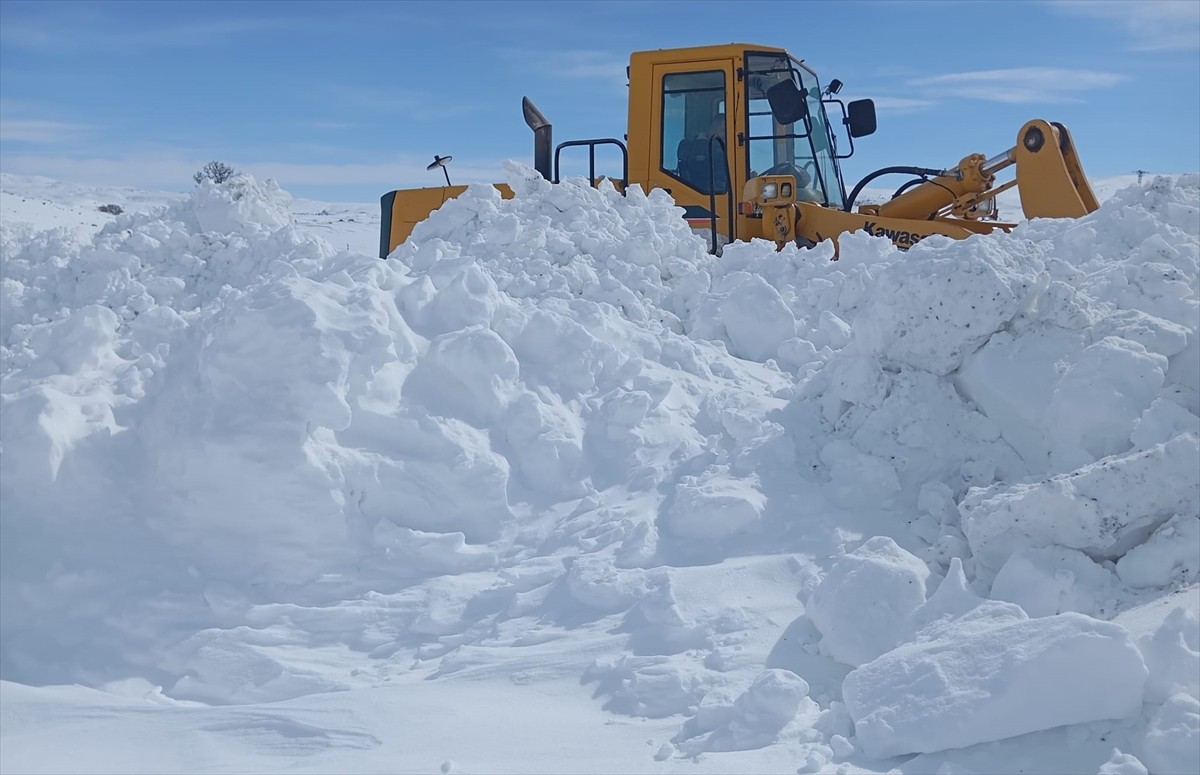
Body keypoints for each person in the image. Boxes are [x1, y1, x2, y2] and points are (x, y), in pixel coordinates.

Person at [677, 113, 729, 194]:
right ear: (713, 128)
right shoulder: (700, 148)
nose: (726, 135)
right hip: (707, 197)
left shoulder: (721, 149)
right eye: (723, 130)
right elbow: (703, 178)